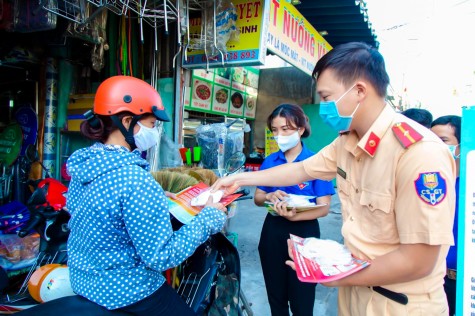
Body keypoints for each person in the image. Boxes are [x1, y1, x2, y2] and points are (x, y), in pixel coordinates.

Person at [212, 42, 455, 315]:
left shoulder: (417, 153)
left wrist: (334, 275)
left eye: (327, 98)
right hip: (354, 292)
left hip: (399, 303)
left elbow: (419, 260)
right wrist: (240, 179)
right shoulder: (348, 142)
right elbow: (301, 170)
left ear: (360, 91)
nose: (324, 107)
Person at [66, 76, 227, 315]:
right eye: (152, 124)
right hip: (126, 290)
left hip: (83, 281)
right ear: (128, 121)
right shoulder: (134, 179)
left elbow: (96, 213)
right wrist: (209, 218)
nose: (155, 132)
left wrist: (157, 196)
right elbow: (162, 256)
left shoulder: (86, 165)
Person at [255, 104, 334, 316]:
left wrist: (297, 214)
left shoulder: (317, 162)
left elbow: (324, 207)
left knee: (302, 299)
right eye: (275, 130)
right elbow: (257, 198)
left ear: (300, 129)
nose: (279, 135)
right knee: (276, 298)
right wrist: (269, 196)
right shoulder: (270, 161)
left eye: (286, 129)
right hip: (273, 231)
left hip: (305, 234)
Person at [431, 115, 462, 316]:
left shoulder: (469, 189)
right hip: (432, 282)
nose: (435, 147)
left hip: (462, 284)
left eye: (443, 141)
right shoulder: (428, 184)